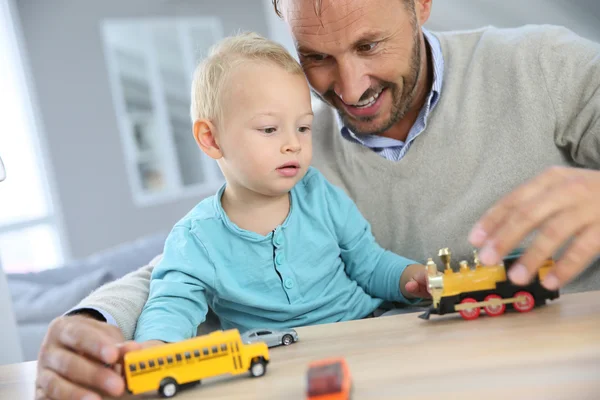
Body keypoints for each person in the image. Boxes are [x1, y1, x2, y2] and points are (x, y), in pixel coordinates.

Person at [36, 0, 600, 399]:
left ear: (420, 4)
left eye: (369, 45)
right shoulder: (292, 150)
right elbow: (180, 264)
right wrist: (95, 318)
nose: (350, 89)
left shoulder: (544, 66)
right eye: (317, 57)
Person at [132, 32, 427, 347]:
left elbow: (370, 264)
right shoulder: (196, 237)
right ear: (211, 139)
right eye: (269, 129)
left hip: (363, 331)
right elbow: (172, 303)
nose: (293, 144)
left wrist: (412, 278)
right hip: (276, 360)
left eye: (303, 127)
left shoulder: (318, 194)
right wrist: (154, 346)